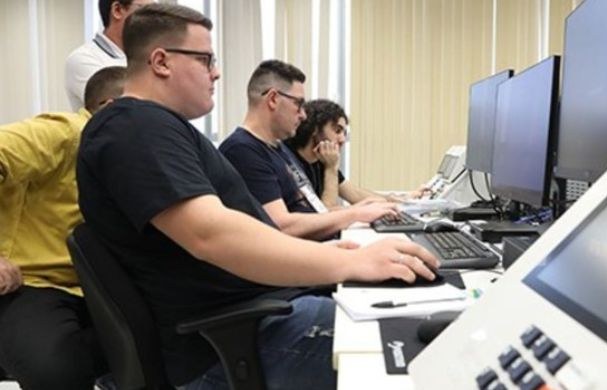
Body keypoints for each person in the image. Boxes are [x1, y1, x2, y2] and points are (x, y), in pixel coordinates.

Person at [76, 4, 438, 389]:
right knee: (431, 346)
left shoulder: (160, 128)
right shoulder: (135, 127)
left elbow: (240, 228)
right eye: (205, 59)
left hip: (256, 317)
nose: (216, 72)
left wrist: (336, 254)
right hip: (237, 339)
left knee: (427, 316)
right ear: (162, 61)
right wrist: (351, 264)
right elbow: (211, 235)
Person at [0, 66, 127, 390]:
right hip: (33, 284)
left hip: (92, 289)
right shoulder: (68, 131)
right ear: (111, 109)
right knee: (55, 371)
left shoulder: (131, 161)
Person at [220, 60, 399, 241]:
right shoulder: (243, 150)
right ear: (273, 99)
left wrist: (359, 209)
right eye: (298, 104)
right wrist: (354, 214)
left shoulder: (279, 149)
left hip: (321, 246)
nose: (304, 115)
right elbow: (281, 226)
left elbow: (317, 211)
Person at [285, 99, 430, 208]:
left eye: (344, 133)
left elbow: (355, 194)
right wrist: (331, 169)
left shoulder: (321, 160)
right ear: (315, 128)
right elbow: (326, 216)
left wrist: (404, 200)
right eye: (337, 131)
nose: (342, 139)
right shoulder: (288, 161)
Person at [65, 0, 153, 110]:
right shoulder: (84, 59)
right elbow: (127, 109)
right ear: (117, 10)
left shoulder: (148, 55)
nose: (154, 20)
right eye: (147, 11)